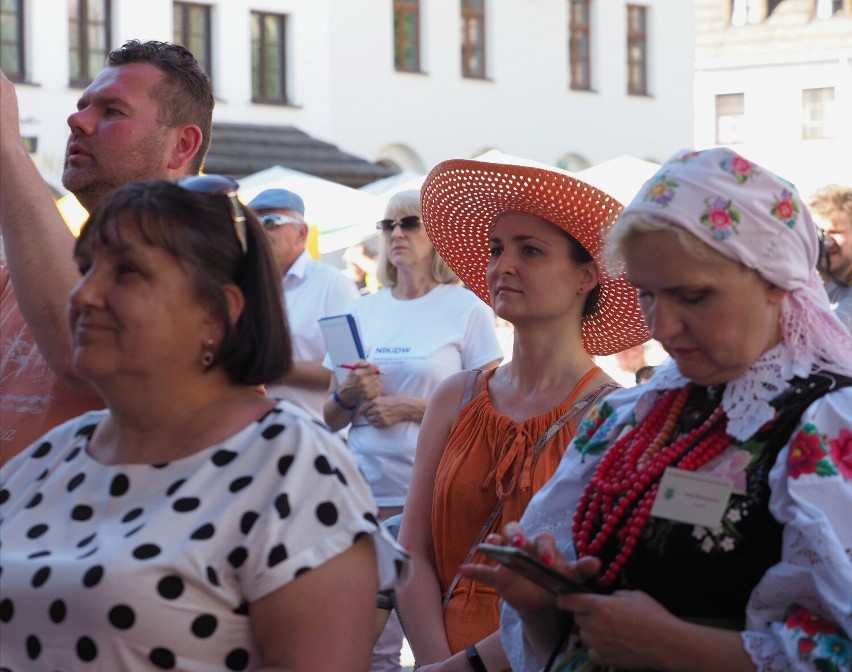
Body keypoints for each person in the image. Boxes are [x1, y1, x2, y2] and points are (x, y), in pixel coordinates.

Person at [461, 148, 852, 672]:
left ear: (775, 282)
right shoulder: (631, 418)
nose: (662, 328)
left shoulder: (827, 426)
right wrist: (543, 605)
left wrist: (677, 646)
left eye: (692, 296)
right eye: (647, 294)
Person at [0, 178, 409, 671]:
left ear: (216, 314)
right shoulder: (51, 455)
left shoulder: (293, 468)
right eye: (86, 268)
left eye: (126, 272)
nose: (83, 296)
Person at [395, 160, 650, 672]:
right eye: (496, 249)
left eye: (529, 250)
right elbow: (412, 552)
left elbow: (594, 586)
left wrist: (461, 668)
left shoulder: (615, 417)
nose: (502, 265)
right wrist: (433, 661)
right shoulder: (456, 396)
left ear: (586, 276)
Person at [0, 40, 214, 462]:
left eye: (112, 111)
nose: (76, 120)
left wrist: (6, 146)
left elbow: (78, 350)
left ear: (183, 146)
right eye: (82, 106)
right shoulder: (16, 277)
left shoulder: (211, 271)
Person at [323, 188, 504, 672]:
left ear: (436, 234)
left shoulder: (465, 307)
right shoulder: (364, 309)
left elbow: (493, 404)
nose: (397, 234)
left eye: (409, 223)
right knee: (366, 641)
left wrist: (414, 408)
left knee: (433, 632)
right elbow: (330, 416)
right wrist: (349, 395)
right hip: (362, 491)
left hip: (431, 498)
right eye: (388, 226)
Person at [248, 188, 360, 422]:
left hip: (315, 436)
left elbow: (349, 369)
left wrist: (272, 369)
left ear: (301, 233)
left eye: (270, 222)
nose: (259, 230)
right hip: (253, 435)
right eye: (252, 223)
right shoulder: (246, 284)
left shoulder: (332, 284)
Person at [809, 184, 852, 331]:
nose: (826, 241)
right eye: (820, 232)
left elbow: (832, 333)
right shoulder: (810, 277)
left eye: (835, 232)